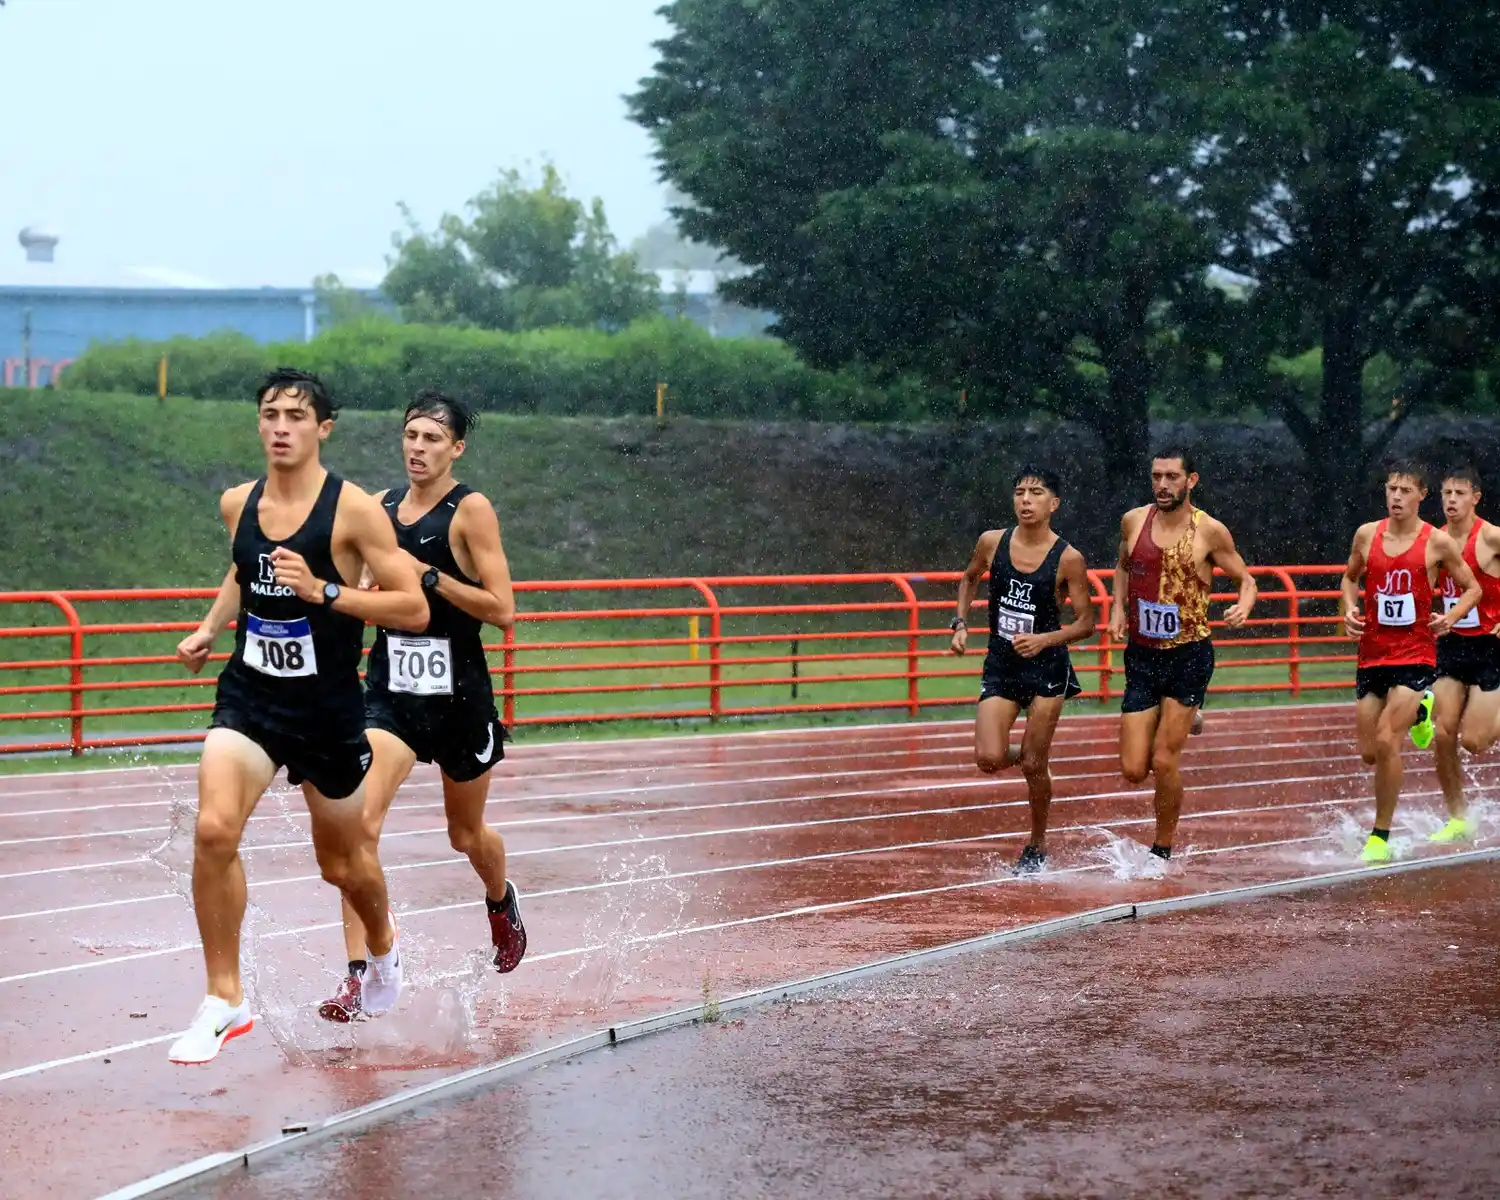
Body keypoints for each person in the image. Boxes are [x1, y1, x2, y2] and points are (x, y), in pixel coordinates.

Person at [170, 368, 429, 1064]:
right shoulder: (237, 503)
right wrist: (209, 626)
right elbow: (241, 568)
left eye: (295, 415)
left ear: (323, 428)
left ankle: (382, 947)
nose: (280, 426)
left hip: (328, 710)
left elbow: (413, 606)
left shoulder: (353, 512)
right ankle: (225, 999)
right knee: (215, 828)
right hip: (251, 696)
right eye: (270, 414)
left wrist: (325, 590)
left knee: (345, 866)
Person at [319, 391, 526, 1022]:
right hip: (391, 695)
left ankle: (499, 898)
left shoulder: (471, 511)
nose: (418, 447)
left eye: (433, 438)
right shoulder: (377, 509)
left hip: (459, 696)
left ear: (456, 447)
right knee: (357, 826)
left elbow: (503, 611)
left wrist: (428, 576)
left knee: (464, 834)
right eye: (411, 434)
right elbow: (356, 591)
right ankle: (362, 971)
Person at [1108, 447, 1256, 861]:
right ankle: (1192, 714)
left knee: (1163, 758)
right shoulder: (1134, 521)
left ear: (1191, 481)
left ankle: (1162, 847)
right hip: (1141, 654)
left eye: (1172, 477)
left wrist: (1243, 605)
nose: (1162, 485)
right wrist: (1118, 608)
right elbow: (1122, 565)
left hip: (1187, 654)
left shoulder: (1209, 531)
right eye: (1157, 476)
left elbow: (1246, 579)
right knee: (1134, 770)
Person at [951, 466, 1096, 873]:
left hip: (1047, 666)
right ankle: (1035, 755)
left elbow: (1086, 623)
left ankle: (1037, 843)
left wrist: (1045, 640)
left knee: (1032, 767)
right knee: (989, 757)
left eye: (1035, 493)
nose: (1026, 500)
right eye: (1019, 492)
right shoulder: (991, 542)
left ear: (1054, 504)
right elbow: (969, 578)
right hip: (1001, 662)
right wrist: (960, 623)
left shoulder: (1068, 558)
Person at [1342, 462, 1481, 861]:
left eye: (1405, 490)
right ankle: (1423, 714)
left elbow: (1471, 588)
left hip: (1415, 655)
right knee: (1370, 751)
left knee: (1388, 740)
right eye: (1391, 489)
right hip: (1372, 654)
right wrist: (1350, 609)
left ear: (1421, 496)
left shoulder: (1436, 542)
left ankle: (1379, 837)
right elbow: (1350, 579)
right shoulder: (1367, 535)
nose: (1396, 497)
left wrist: (1449, 618)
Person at [1430, 466, 1500, 843]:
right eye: (1446, 493)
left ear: (1476, 497)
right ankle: (1458, 817)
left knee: (1473, 741)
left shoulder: (1491, 538)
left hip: (1492, 647)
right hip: (1452, 644)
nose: (1451, 500)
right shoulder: (1434, 541)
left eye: (1459, 493)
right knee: (1442, 733)